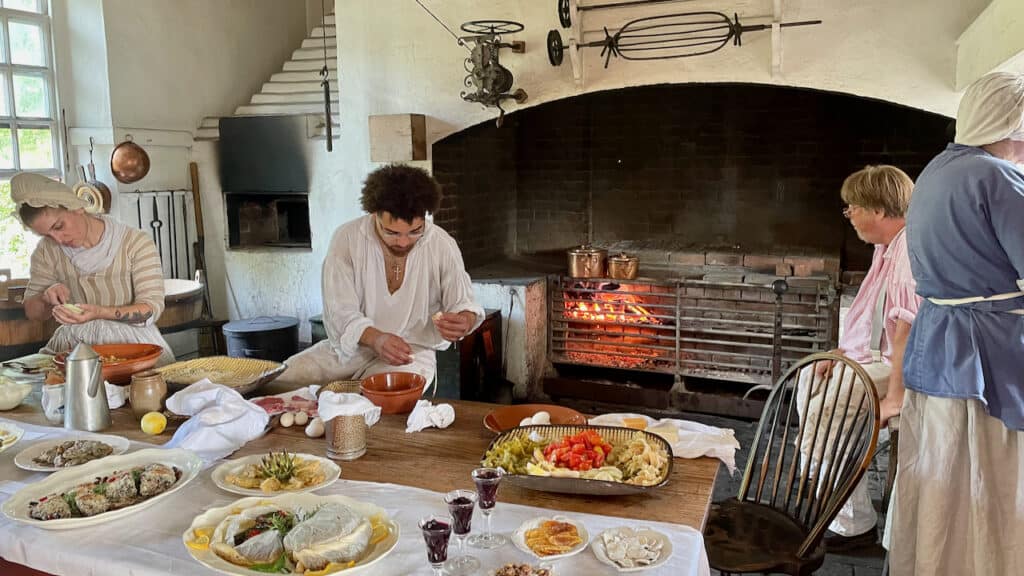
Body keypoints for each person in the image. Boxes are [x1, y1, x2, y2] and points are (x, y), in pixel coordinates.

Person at [890, 72, 1024, 575]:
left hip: (939, 343)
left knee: (944, 477)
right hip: (988, 353)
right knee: (989, 483)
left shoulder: (935, 172)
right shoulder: (999, 177)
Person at [795, 165, 920, 549]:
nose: (848, 214)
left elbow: (906, 332)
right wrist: (840, 351)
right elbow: (869, 314)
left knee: (827, 414)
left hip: (895, 367)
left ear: (879, 210)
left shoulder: (908, 256)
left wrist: (894, 399)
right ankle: (822, 490)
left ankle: (853, 525)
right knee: (806, 381)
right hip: (869, 356)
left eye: (853, 207)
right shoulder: (886, 248)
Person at [275, 164, 483, 388]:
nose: (403, 242)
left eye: (415, 231)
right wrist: (376, 338)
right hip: (352, 347)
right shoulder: (347, 239)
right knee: (280, 380)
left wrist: (464, 320)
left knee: (377, 397)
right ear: (374, 215)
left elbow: (463, 303)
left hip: (410, 351)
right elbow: (339, 313)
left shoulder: (442, 244)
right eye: (392, 232)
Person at [11, 172, 174, 365]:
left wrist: (99, 312)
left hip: (132, 344)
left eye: (59, 226)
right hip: (73, 346)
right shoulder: (47, 251)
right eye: (46, 235)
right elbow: (33, 313)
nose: (58, 239)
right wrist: (46, 297)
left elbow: (150, 309)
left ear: (77, 207)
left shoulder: (135, 243)